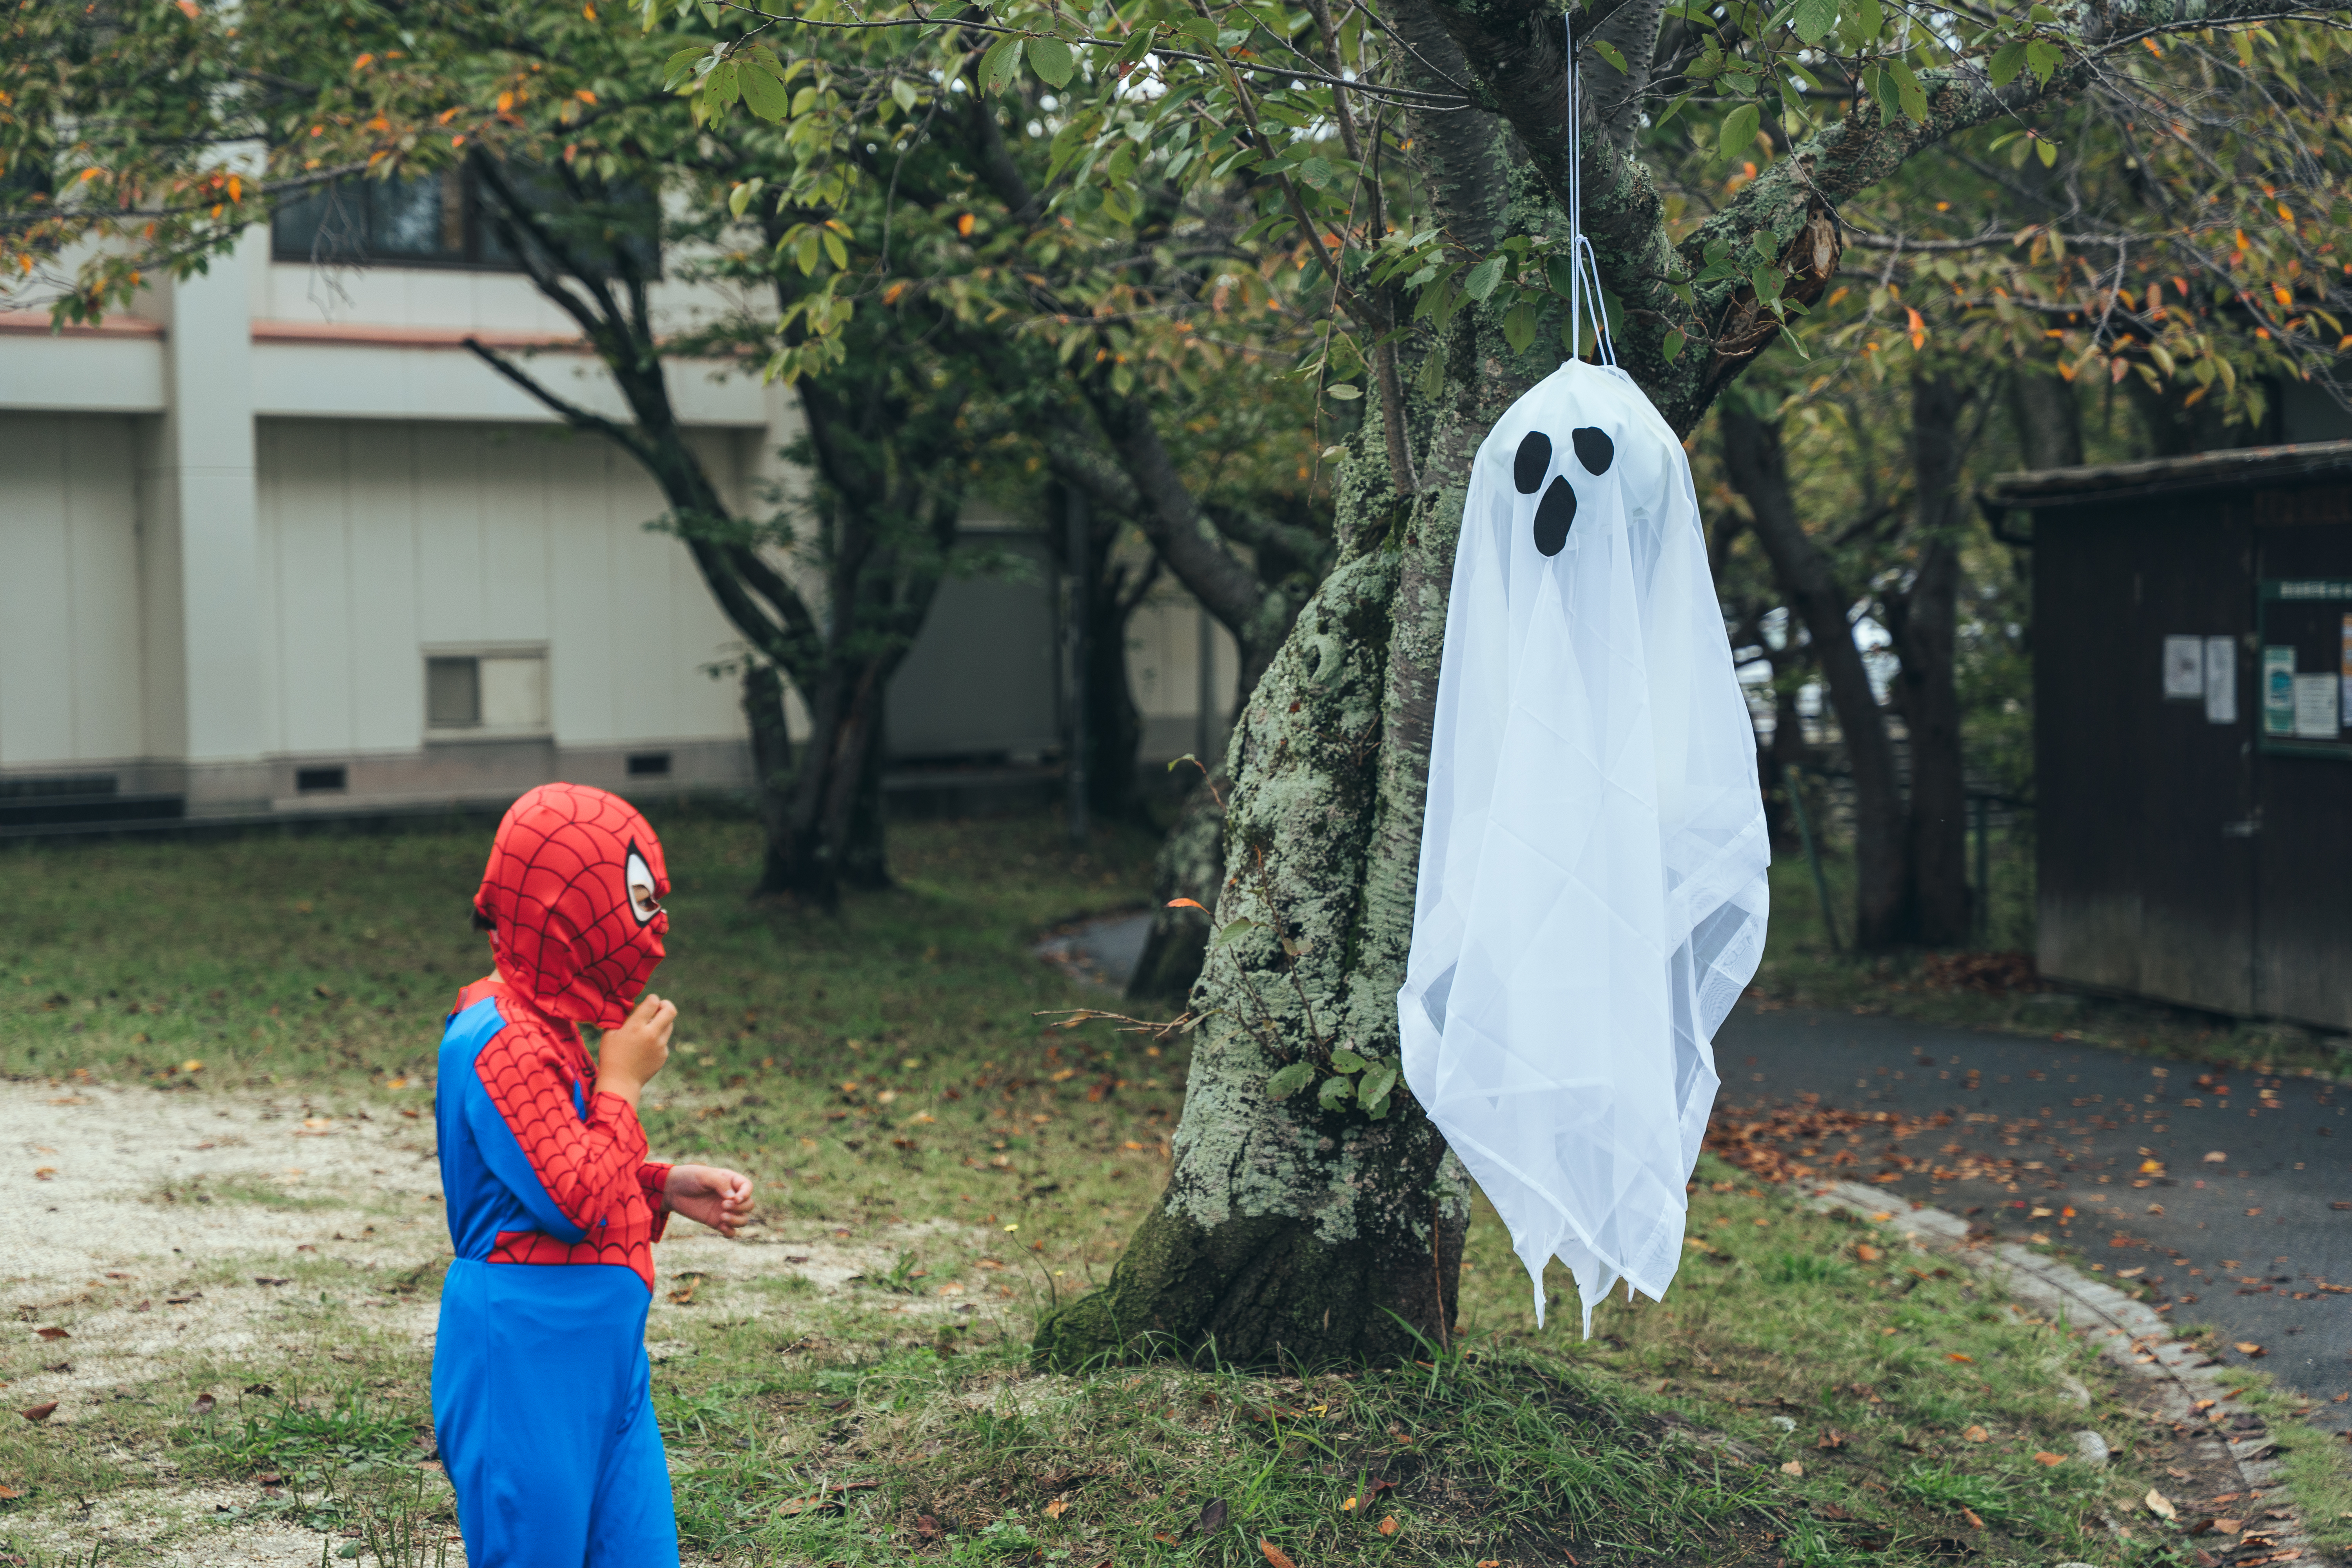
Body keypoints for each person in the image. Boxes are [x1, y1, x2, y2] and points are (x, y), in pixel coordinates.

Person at [432, 782, 753, 1568]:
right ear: (565, 904)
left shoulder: (554, 1027)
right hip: (524, 1354)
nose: (654, 933)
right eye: (636, 901)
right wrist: (622, 1084)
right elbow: (568, 1199)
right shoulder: (498, 1035)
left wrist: (660, 1184)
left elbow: (551, 1164)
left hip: (609, 1359)